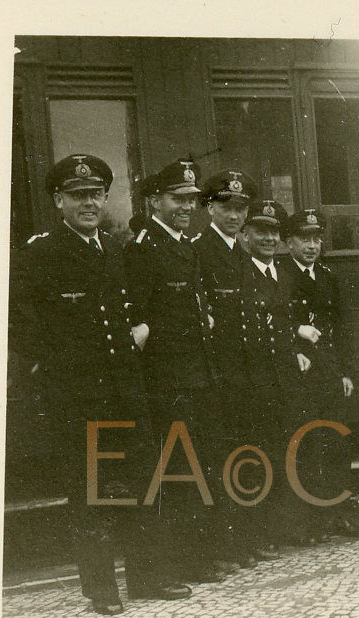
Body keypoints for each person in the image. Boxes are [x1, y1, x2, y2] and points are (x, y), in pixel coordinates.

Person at [9, 153, 191, 614]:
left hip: (125, 386)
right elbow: (17, 323)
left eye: (95, 194)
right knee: (90, 488)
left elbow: (127, 309)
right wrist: (50, 366)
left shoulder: (112, 247)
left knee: (141, 478)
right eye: (78, 195)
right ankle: (101, 588)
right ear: (59, 200)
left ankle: (148, 577)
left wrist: (140, 329)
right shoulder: (41, 253)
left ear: (106, 198)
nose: (88, 203)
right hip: (78, 393)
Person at [124, 158, 228, 583]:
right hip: (165, 381)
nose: (187, 207)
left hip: (195, 375)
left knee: (196, 464)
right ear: (155, 201)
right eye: (177, 199)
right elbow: (138, 320)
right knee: (174, 469)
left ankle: (195, 557)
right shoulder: (143, 249)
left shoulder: (185, 245)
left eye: (191, 200)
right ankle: (174, 563)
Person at [191, 169, 271, 569]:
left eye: (241, 208)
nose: (235, 215)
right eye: (226, 207)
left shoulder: (242, 255)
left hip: (247, 375)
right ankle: (222, 546)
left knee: (246, 454)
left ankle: (246, 539)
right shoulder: (198, 251)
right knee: (218, 459)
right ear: (209, 208)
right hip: (218, 376)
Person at [279, 208, 359, 542]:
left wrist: (346, 372)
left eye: (316, 239)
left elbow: (342, 329)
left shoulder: (328, 277)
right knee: (305, 447)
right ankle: (307, 523)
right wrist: (294, 337)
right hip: (299, 375)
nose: (312, 245)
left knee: (335, 445)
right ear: (289, 242)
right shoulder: (280, 275)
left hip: (330, 373)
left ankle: (337, 515)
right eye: (304, 238)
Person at [241, 197, 299, 553]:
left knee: (284, 451)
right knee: (257, 455)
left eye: (274, 232)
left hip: (284, 376)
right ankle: (260, 532)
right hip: (257, 379)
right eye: (260, 231)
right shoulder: (241, 273)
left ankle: (284, 528)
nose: (268, 239)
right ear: (246, 234)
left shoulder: (285, 275)